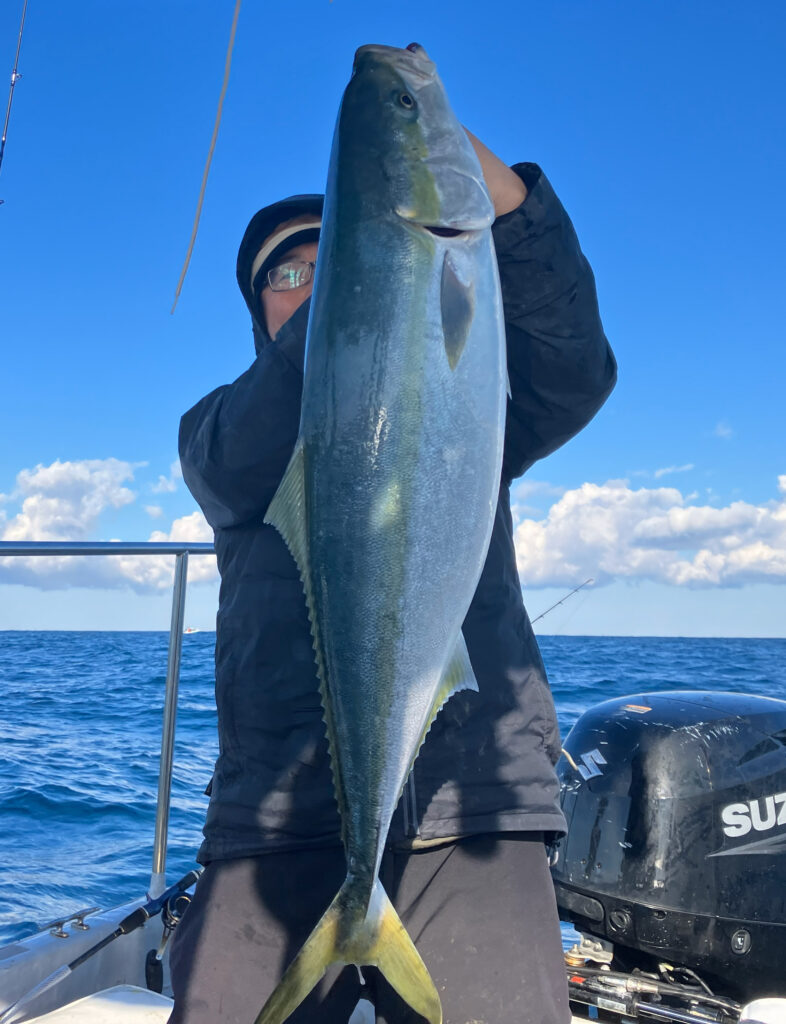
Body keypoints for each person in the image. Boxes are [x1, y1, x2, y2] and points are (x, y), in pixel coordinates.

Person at [170, 117, 616, 1024]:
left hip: (473, 804)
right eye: (286, 275)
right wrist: (363, 274)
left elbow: (574, 371)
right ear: (259, 313)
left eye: (326, 258)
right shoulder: (221, 432)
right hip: (272, 821)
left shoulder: (466, 403)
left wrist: (515, 212)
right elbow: (240, 453)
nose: (309, 282)